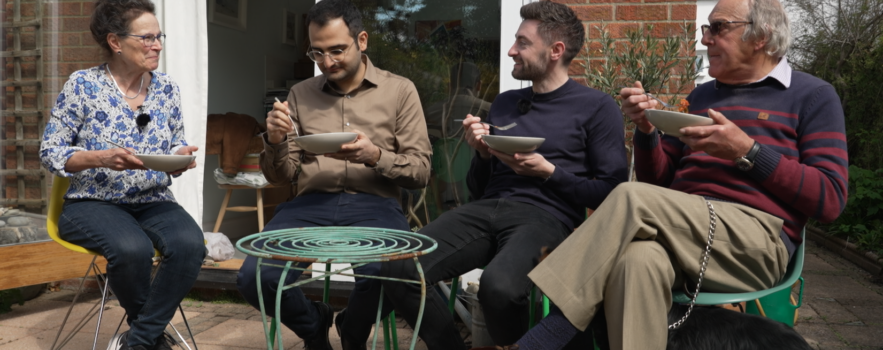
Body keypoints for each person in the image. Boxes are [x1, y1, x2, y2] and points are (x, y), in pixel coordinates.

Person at [509, 0, 849, 349]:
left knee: (630, 195)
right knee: (635, 261)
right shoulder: (701, 96)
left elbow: (831, 199)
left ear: (760, 35)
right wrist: (646, 130)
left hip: (757, 242)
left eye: (717, 28)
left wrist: (747, 152)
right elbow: (659, 184)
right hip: (682, 234)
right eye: (706, 29)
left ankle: (548, 334)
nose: (705, 40)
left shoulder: (812, 96)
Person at [380, 2, 627, 349]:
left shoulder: (598, 108)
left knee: (500, 288)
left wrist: (549, 173)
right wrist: (481, 154)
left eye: (522, 43)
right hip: (487, 210)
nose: (511, 50)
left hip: (547, 217)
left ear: (555, 50)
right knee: (401, 265)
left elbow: (612, 193)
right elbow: (478, 190)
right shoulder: (505, 103)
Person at [234, 0, 431, 349]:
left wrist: (376, 156)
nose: (327, 62)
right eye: (317, 53)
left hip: (375, 205)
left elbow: (421, 171)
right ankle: (314, 325)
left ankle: (352, 330)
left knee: (394, 274)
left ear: (363, 40)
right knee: (254, 276)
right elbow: (282, 176)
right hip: (309, 205)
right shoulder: (299, 95)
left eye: (337, 50)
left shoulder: (400, 91)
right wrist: (277, 141)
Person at [39, 1, 204, 349]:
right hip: (92, 203)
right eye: (147, 38)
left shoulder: (167, 88)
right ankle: (152, 340)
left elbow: (176, 141)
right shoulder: (83, 85)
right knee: (132, 249)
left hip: (153, 198)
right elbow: (50, 151)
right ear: (115, 42)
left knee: (190, 244)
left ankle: (139, 340)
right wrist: (100, 158)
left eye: (159, 36)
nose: (157, 44)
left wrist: (179, 156)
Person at [424, 62, 492, 212]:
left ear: (450, 86)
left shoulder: (430, 112)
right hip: (479, 194)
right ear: (478, 85)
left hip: (440, 191)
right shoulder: (490, 111)